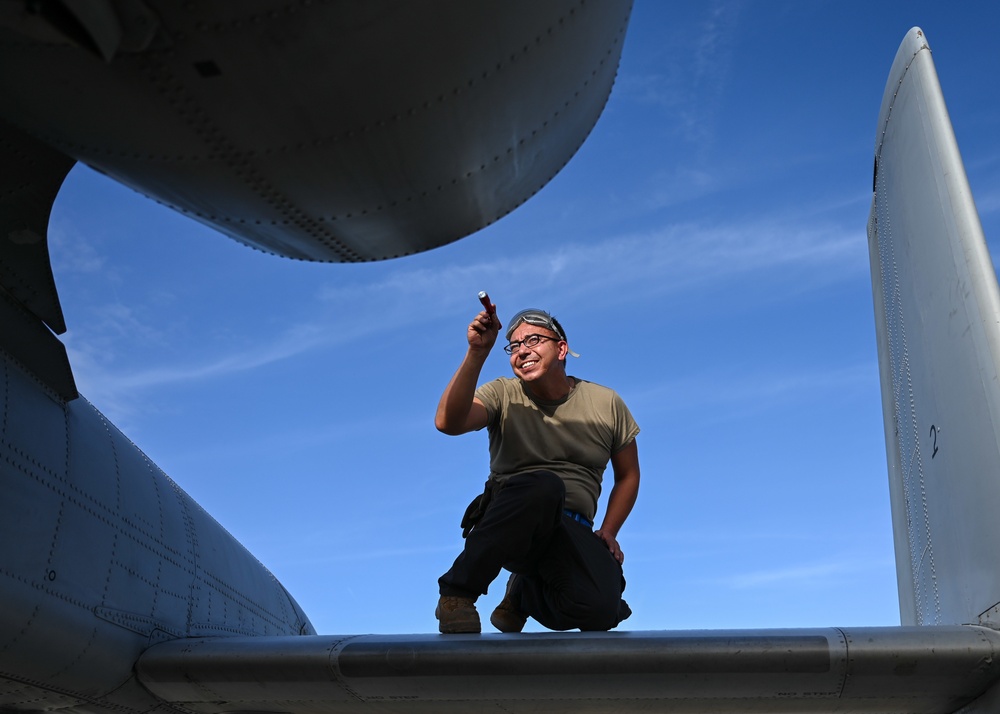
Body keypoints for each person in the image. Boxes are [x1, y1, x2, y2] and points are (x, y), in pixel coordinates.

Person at [434, 303, 640, 633]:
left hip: (570, 531)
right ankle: (457, 594)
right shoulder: (503, 393)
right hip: (510, 521)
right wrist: (477, 352)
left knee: (601, 609)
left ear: (561, 349)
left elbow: (628, 474)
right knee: (544, 486)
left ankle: (524, 593)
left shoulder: (606, 402)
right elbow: (448, 422)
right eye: (514, 346)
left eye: (533, 340)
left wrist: (610, 530)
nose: (522, 351)